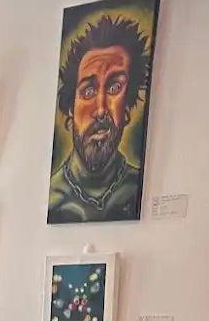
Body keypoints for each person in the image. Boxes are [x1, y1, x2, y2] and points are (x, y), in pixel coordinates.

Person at [47, 14, 152, 224]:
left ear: (127, 108)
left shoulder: (136, 189)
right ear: (70, 110)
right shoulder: (54, 199)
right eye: (88, 91)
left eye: (114, 88)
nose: (101, 109)